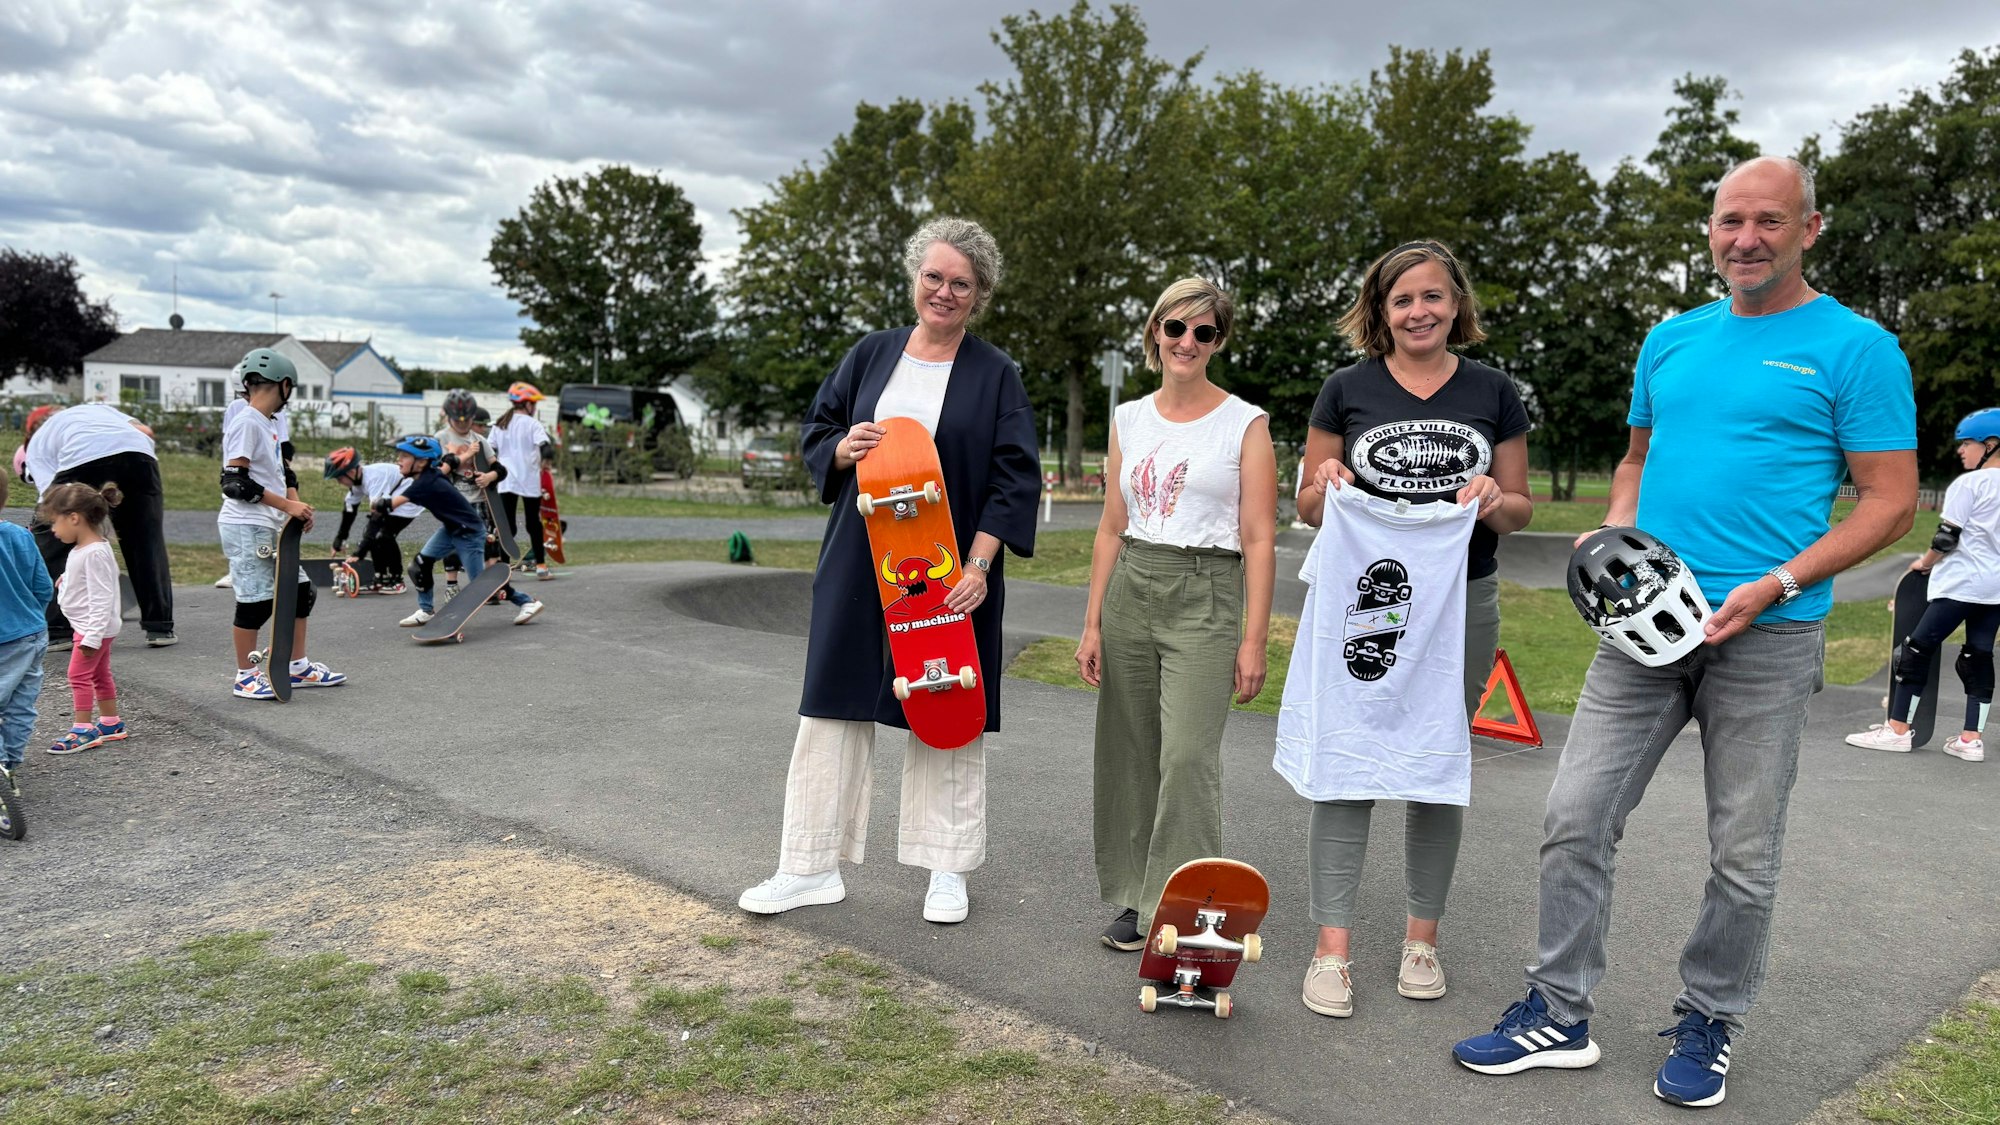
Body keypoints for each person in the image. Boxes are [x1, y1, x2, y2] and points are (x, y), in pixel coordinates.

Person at [1450, 156, 1917, 1109]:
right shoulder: (1669, 340)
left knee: (1743, 851)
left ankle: (1710, 1018)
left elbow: (1892, 500)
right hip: (1640, 631)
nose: (1746, 238)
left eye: (1770, 222)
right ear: (1710, 230)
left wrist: (1779, 582)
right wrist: (1612, 532)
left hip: (1770, 634)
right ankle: (1558, 1008)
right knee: (1573, 817)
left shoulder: (1857, 348)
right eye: (1730, 221)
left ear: (1809, 230)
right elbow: (1636, 458)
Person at [737, 216, 1039, 925]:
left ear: (979, 293)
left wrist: (981, 565)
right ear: (914, 278)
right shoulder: (871, 355)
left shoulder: (996, 374)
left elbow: (1013, 477)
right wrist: (843, 447)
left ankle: (947, 867)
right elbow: (819, 430)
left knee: (948, 705)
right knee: (831, 703)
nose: (944, 291)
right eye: (933, 276)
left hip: (948, 565)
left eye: (960, 283)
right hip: (856, 556)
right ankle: (808, 864)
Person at [1285, 240, 1533, 1017]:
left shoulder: (1496, 392)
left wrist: (1496, 499)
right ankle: (1332, 950)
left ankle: (1421, 940)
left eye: (1432, 296)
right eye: (1402, 300)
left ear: (1457, 304)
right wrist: (1326, 485)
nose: (1419, 310)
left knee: (1436, 761)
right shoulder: (1345, 390)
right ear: (1380, 312)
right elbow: (1307, 504)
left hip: (1462, 601)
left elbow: (1523, 509)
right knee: (1348, 758)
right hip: (1367, 598)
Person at [1074, 277, 1277, 951]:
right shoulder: (1130, 418)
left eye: (1204, 331)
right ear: (1155, 332)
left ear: (1219, 340)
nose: (1187, 341)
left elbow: (1257, 539)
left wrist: (1254, 641)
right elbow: (1110, 526)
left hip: (1206, 590)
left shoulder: (1245, 423)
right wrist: (1093, 621)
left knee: (1188, 755)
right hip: (1133, 581)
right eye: (1176, 327)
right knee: (1130, 750)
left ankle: (1188, 906)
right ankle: (1137, 896)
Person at [1845, 407, 2000, 761]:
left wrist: (1924, 564)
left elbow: (1947, 538)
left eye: (1968, 444)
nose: (1961, 451)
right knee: (1978, 655)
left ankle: (1898, 730)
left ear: (1991, 444)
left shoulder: (1970, 484)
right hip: (1995, 590)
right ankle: (1970, 740)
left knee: (1914, 651)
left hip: (1961, 585)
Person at [218, 348, 348, 700]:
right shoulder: (245, 421)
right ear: (284, 384)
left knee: (300, 594)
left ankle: (297, 665)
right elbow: (234, 482)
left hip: (269, 523)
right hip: (246, 525)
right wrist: (288, 504)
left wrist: (293, 506)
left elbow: (283, 470)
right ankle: (245, 675)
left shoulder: (268, 422)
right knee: (257, 602)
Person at [21, 402, 176, 648]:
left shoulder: (36, 446)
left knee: (52, 541)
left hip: (83, 456)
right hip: (139, 454)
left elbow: (53, 509)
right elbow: (146, 431)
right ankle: (160, 627)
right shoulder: (99, 409)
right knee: (146, 541)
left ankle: (59, 630)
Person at [392, 435, 546, 629]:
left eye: (404, 456)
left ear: (421, 462)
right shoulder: (433, 472)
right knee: (420, 564)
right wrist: (462, 453)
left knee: (481, 584)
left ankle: (526, 601)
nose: (399, 460)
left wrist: (379, 504)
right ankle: (426, 610)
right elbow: (451, 462)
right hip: (450, 528)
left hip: (469, 532)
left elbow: (393, 503)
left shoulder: (426, 482)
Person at [41, 482, 130, 754]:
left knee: (77, 675)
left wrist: (91, 636)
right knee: (99, 674)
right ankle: (110, 723)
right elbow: (87, 581)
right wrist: (66, 581)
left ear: (74, 518)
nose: (53, 530)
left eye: (55, 522)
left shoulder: (94, 553)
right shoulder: (86, 549)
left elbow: (102, 597)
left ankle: (82, 729)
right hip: (93, 627)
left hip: (93, 629)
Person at [0, 468, 53, 798]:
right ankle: (10, 767)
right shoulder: (21, 537)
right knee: (20, 705)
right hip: (30, 634)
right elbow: (43, 587)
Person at [325, 447, 421, 594]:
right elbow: (349, 510)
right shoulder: (357, 482)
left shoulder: (375, 478)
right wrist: (340, 539)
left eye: (339, 478)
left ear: (350, 472)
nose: (339, 482)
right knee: (373, 535)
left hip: (409, 498)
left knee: (384, 535)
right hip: (392, 498)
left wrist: (360, 552)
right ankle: (380, 578)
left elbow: (377, 517)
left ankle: (397, 581)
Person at [492, 381, 555, 580]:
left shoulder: (499, 424)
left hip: (505, 480)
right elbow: (546, 447)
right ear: (526, 404)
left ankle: (504, 567)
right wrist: (546, 461)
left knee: (507, 525)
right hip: (529, 479)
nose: (534, 409)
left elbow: (490, 450)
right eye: (533, 404)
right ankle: (541, 566)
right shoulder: (534, 425)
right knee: (533, 524)